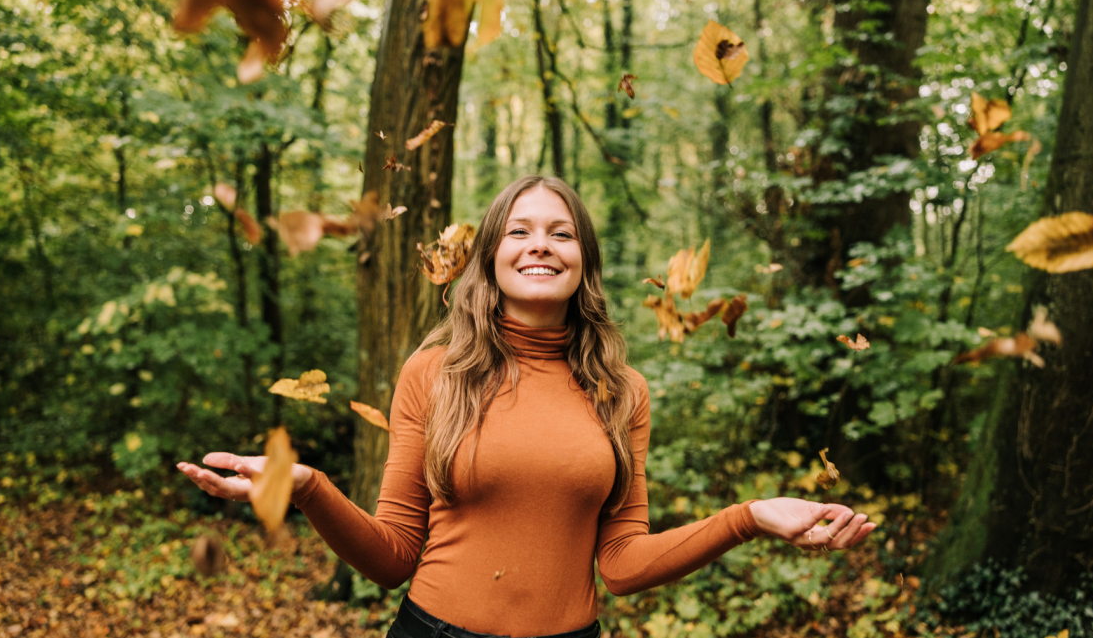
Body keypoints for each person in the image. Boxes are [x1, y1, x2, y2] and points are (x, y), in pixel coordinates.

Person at [178, 176, 877, 638]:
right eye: (518, 230)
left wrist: (748, 518)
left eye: (561, 231)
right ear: (489, 258)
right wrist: (309, 488)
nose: (540, 241)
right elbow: (393, 555)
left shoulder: (623, 389)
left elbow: (624, 564)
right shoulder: (433, 371)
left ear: (582, 262)